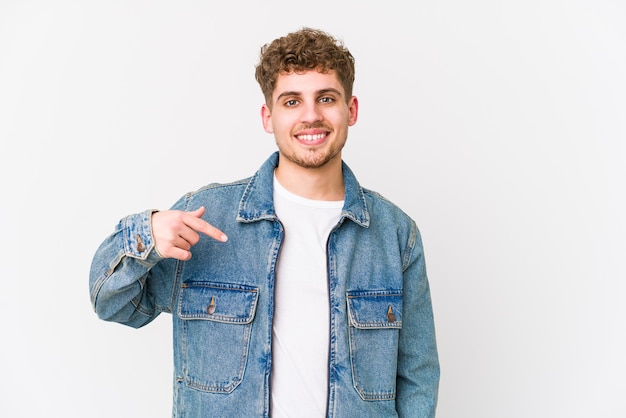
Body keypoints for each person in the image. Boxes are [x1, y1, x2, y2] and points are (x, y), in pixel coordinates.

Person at [89, 27, 440, 417]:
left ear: (351, 110)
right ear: (267, 117)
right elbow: (112, 304)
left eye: (326, 98)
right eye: (292, 101)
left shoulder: (394, 234)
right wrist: (146, 235)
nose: (311, 115)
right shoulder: (205, 217)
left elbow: (417, 375)